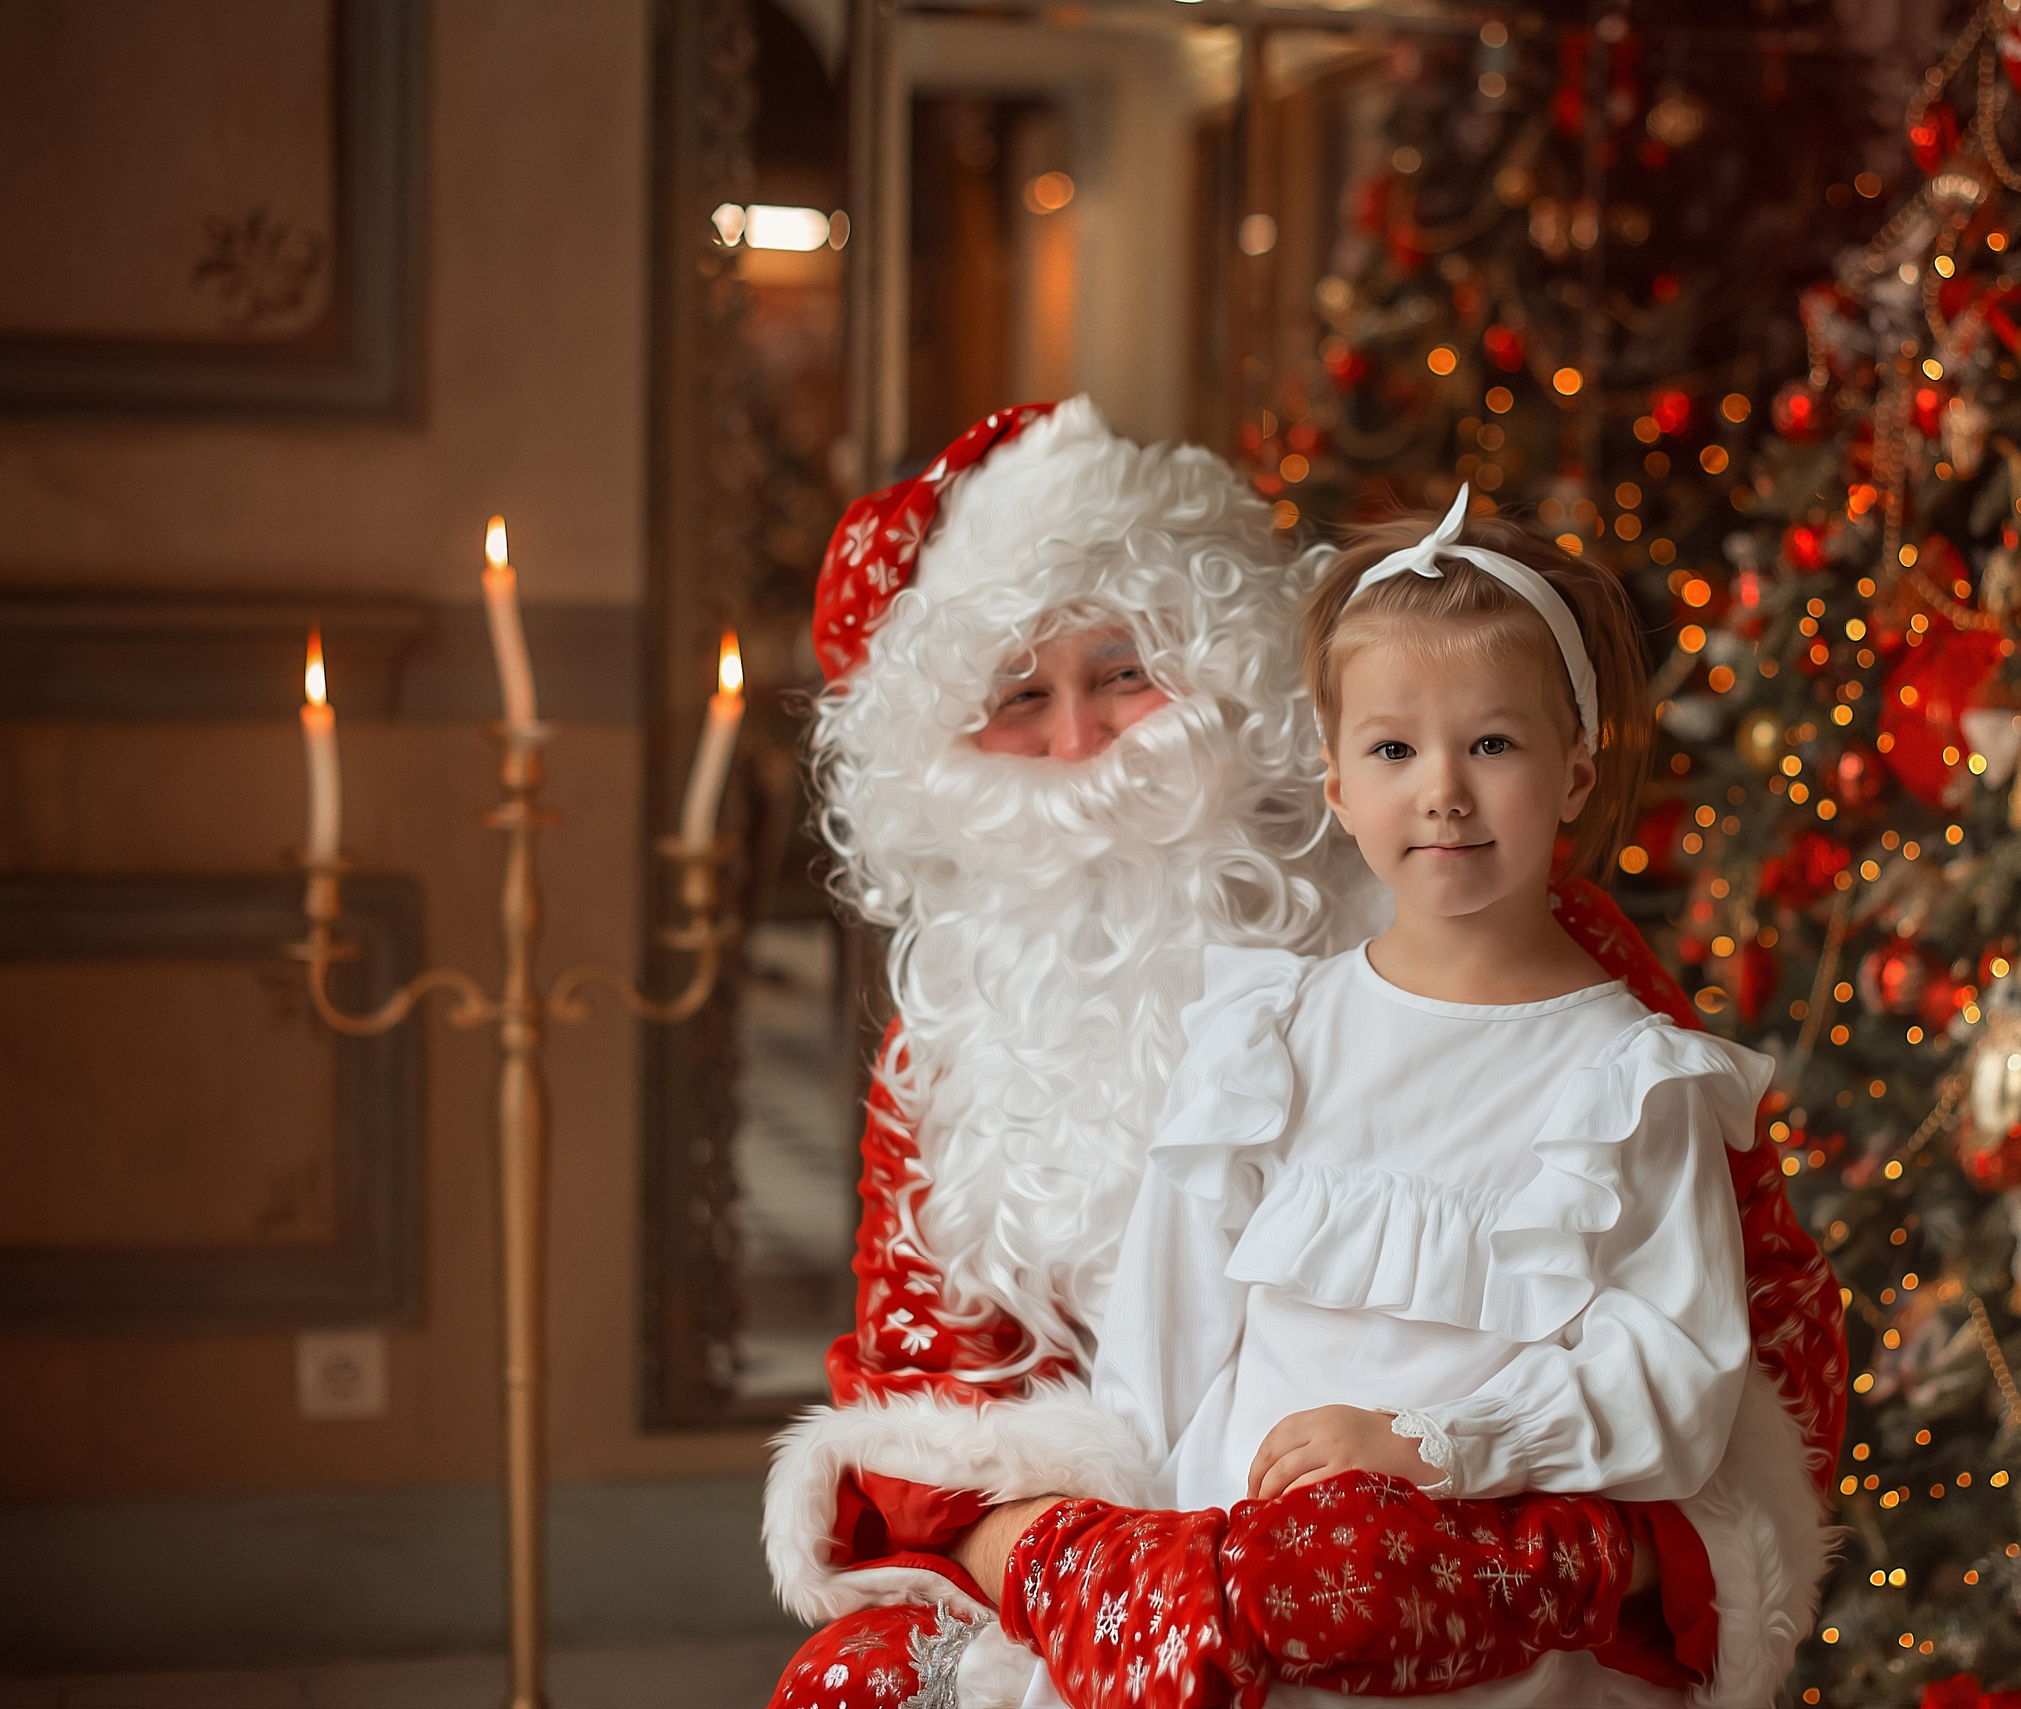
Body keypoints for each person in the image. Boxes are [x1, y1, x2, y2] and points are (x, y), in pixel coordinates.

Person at [763, 401, 1845, 1709]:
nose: (1078, 745)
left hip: (1492, 1540)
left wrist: (1513, 1547)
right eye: (1016, 698)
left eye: (1123, 671)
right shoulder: (962, 1040)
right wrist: (1098, 1568)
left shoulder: (1511, 937)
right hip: (1157, 1534)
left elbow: (1742, 1332)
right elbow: (935, 1395)